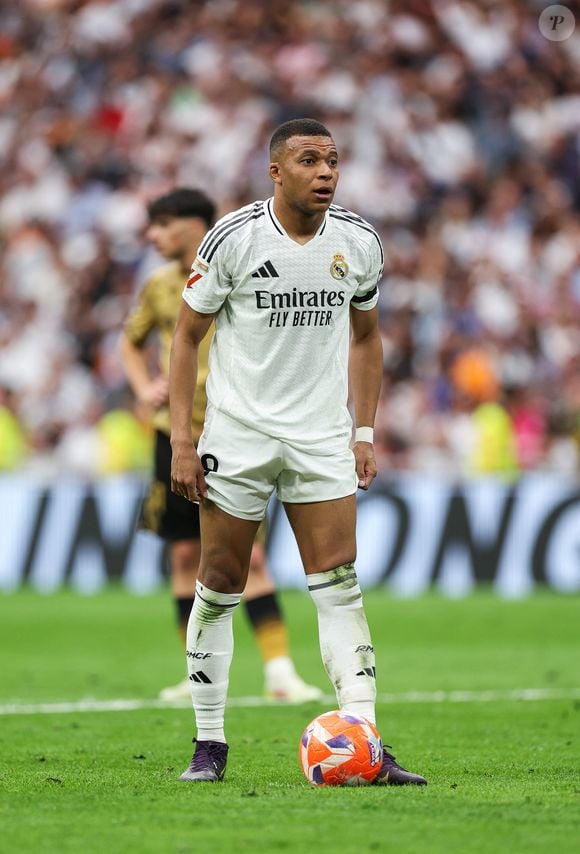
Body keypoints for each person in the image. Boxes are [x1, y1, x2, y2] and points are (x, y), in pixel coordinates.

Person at [169, 118, 427, 785]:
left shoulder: (359, 241)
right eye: (310, 160)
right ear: (276, 172)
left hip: (319, 437)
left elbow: (366, 339)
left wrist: (363, 431)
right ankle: (209, 743)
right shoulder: (234, 237)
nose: (326, 173)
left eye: (334, 161)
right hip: (238, 435)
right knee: (221, 583)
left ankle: (366, 739)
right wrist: (182, 439)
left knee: (340, 585)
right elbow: (185, 335)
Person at [120, 187, 323, 703]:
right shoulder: (158, 285)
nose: (153, 235)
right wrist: (144, 387)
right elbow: (131, 340)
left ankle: (280, 673)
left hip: (234, 432)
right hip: (175, 434)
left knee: (249, 560)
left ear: (194, 226)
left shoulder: (237, 268)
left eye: (163, 224)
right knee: (185, 554)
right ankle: (197, 677)